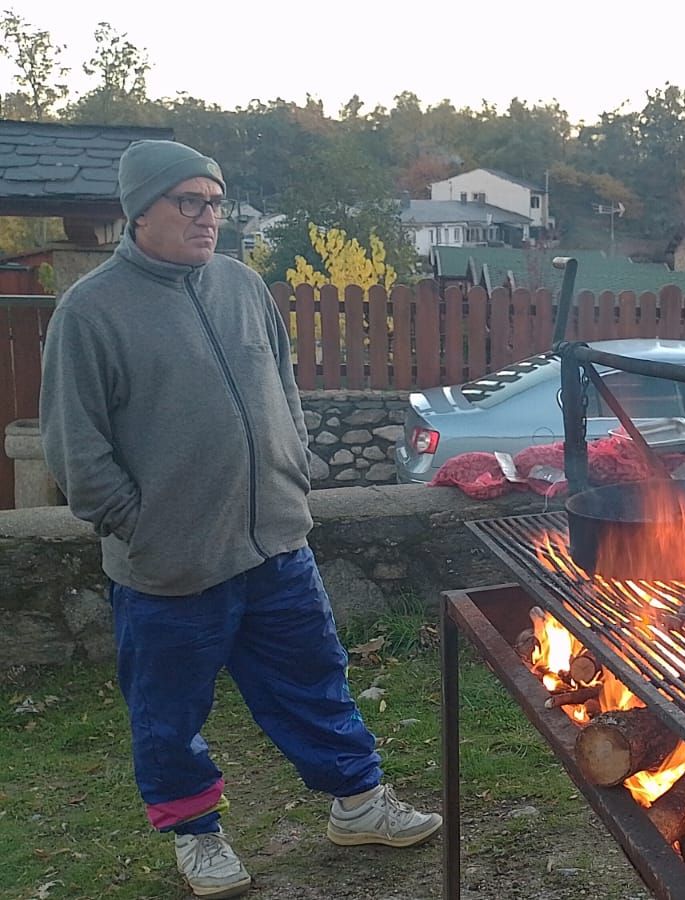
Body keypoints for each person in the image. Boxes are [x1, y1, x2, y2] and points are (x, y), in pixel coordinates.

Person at [40, 140, 441, 899]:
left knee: (315, 681)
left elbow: (281, 388)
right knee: (169, 713)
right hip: (170, 564)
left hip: (275, 546)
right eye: (189, 201)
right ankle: (197, 837)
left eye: (216, 200)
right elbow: (74, 445)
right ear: (141, 210)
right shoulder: (91, 311)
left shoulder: (243, 286)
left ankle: (358, 804)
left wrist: (292, 466)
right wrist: (137, 523)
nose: (208, 216)